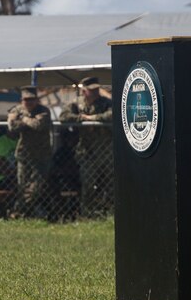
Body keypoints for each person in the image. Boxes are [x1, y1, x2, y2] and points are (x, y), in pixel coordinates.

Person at [59, 76, 113, 217]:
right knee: (88, 183)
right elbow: (63, 116)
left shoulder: (106, 103)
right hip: (86, 151)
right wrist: (79, 119)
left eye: (96, 90)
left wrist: (92, 118)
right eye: (90, 90)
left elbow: (112, 115)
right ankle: (87, 213)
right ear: (83, 91)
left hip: (105, 150)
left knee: (109, 183)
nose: (94, 93)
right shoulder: (77, 104)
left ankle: (110, 212)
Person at [8, 86, 53, 218]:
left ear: (37, 100)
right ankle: (24, 214)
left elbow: (39, 125)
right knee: (22, 186)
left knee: (36, 187)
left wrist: (24, 119)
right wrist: (28, 121)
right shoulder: (16, 110)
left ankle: (18, 211)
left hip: (42, 154)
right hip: (24, 154)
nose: (28, 102)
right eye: (26, 100)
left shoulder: (44, 111)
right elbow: (12, 126)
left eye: (31, 99)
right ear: (21, 100)